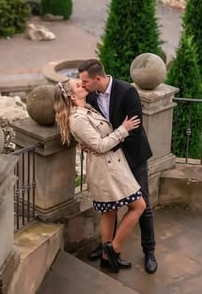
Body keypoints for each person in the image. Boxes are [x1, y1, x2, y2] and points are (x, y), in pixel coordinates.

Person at [54, 78, 146, 273]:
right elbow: (100, 146)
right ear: (72, 96)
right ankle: (114, 248)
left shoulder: (87, 106)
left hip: (111, 165)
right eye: (79, 86)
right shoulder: (77, 118)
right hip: (106, 169)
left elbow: (96, 140)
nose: (83, 86)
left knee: (110, 211)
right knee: (139, 206)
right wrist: (124, 129)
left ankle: (106, 257)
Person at [78, 58, 158, 274]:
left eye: (85, 81)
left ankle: (149, 251)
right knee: (111, 204)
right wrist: (88, 143)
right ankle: (107, 249)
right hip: (110, 161)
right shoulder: (91, 96)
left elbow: (134, 128)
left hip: (133, 156)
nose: (82, 85)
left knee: (144, 205)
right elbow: (94, 128)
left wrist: (105, 147)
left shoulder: (127, 91)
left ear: (98, 78)